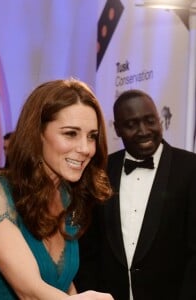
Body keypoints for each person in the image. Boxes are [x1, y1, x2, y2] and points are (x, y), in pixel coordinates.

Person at [0, 78, 114, 299]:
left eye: (92, 136)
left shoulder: (69, 198)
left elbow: (60, 282)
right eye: (70, 133)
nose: (85, 148)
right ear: (38, 134)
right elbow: (30, 293)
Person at [75, 89, 196, 300]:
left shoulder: (190, 168)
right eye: (131, 125)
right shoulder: (100, 171)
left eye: (150, 121)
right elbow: (89, 248)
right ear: (117, 129)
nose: (143, 131)